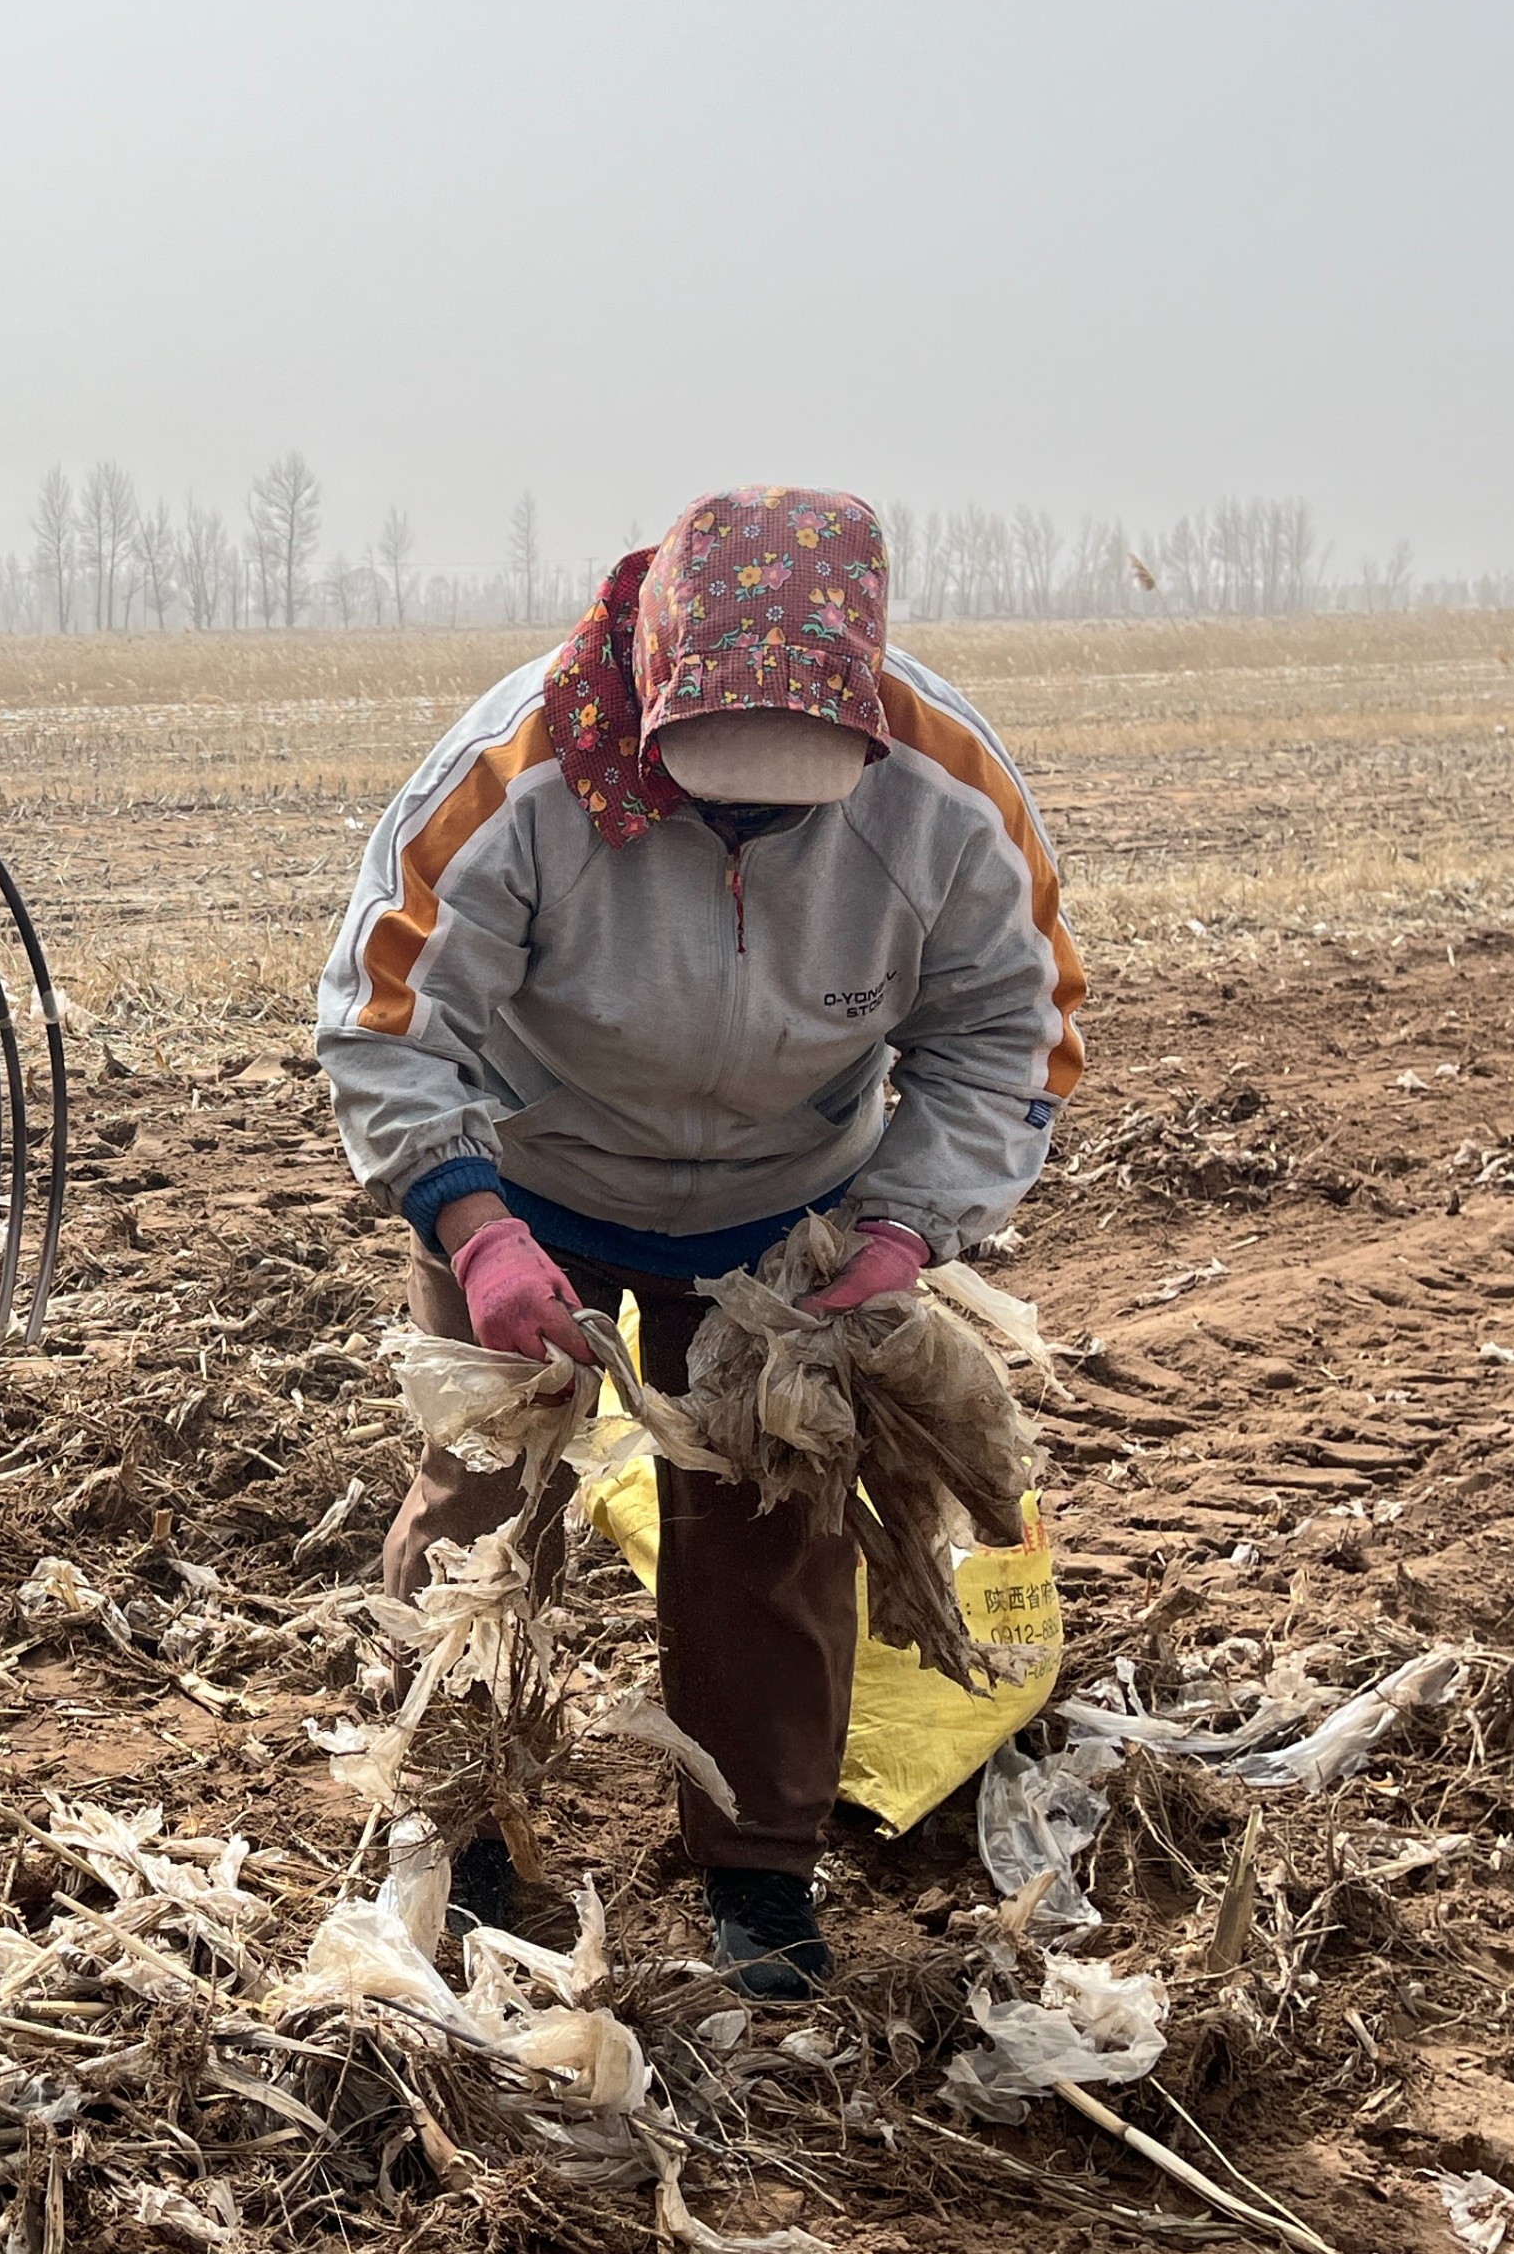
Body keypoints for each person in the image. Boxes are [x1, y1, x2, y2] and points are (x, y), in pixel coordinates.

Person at [315, 485, 1082, 1998]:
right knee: (480, 1500)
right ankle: (450, 1828)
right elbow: (390, 1017)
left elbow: (1011, 1032)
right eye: (717, 795)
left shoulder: (946, 794)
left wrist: (901, 1231)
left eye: (789, 802)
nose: (749, 825)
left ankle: (761, 1876)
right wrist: (472, 1229)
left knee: (770, 1529)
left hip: (788, 1208)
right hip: (528, 1183)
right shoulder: (520, 772)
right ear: (653, 697)